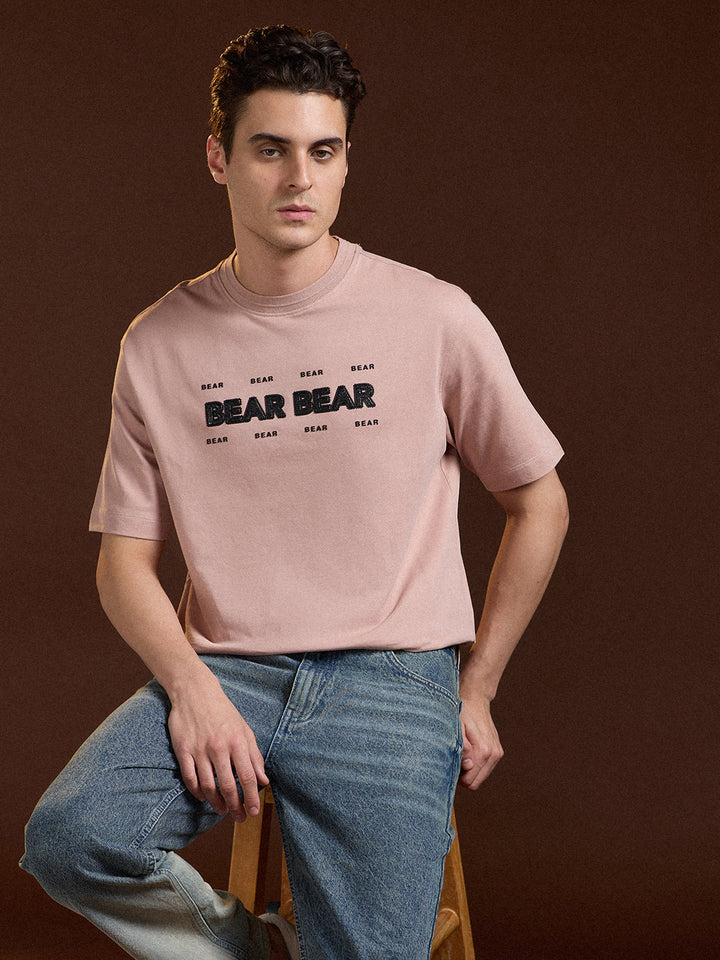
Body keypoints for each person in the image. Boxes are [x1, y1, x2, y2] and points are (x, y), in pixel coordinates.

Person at [21, 24, 569, 960]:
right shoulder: (158, 342)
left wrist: (475, 689)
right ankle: (262, 949)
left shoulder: (433, 315)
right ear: (219, 159)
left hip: (392, 677)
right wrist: (191, 689)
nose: (298, 180)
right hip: (229, 671)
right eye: (270, 150)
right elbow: (122, 564)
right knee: (72, 839)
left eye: (323, 152)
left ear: (347, 162)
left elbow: (540, 501)